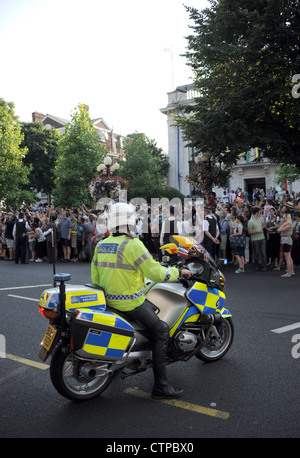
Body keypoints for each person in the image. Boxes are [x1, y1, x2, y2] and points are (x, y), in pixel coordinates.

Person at [91, 202, 192, 399]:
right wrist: (179, 272)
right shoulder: (133, 244)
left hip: (108, 302)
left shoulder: (101, 245)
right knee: (161, 330)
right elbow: (156, 272)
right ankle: (161, 386)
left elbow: (96, 278)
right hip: (130, 303)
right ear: (130, 221)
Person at [248, 207, 268, 271]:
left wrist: (266, 223)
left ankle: (264, 266)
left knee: (263, 252)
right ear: (256, 213)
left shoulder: (259, 219)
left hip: (262, 238)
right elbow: (249, 232)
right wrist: (257, 231)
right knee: (256, 253)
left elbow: (261, 227)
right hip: (255, 239)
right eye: (259, 212)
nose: (260, 213)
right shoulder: (250, 221)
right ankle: (256, 266)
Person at [277, 212, 294, 277]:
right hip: (286, 240)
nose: (282, 218)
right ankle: (291, 271)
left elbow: (279, 230)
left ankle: (289, 272)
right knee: (289, 257)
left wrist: (284, 224)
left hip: (286, 241)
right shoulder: (289, 224)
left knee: (287, 257)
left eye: (283, 217)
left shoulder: (288, 224)